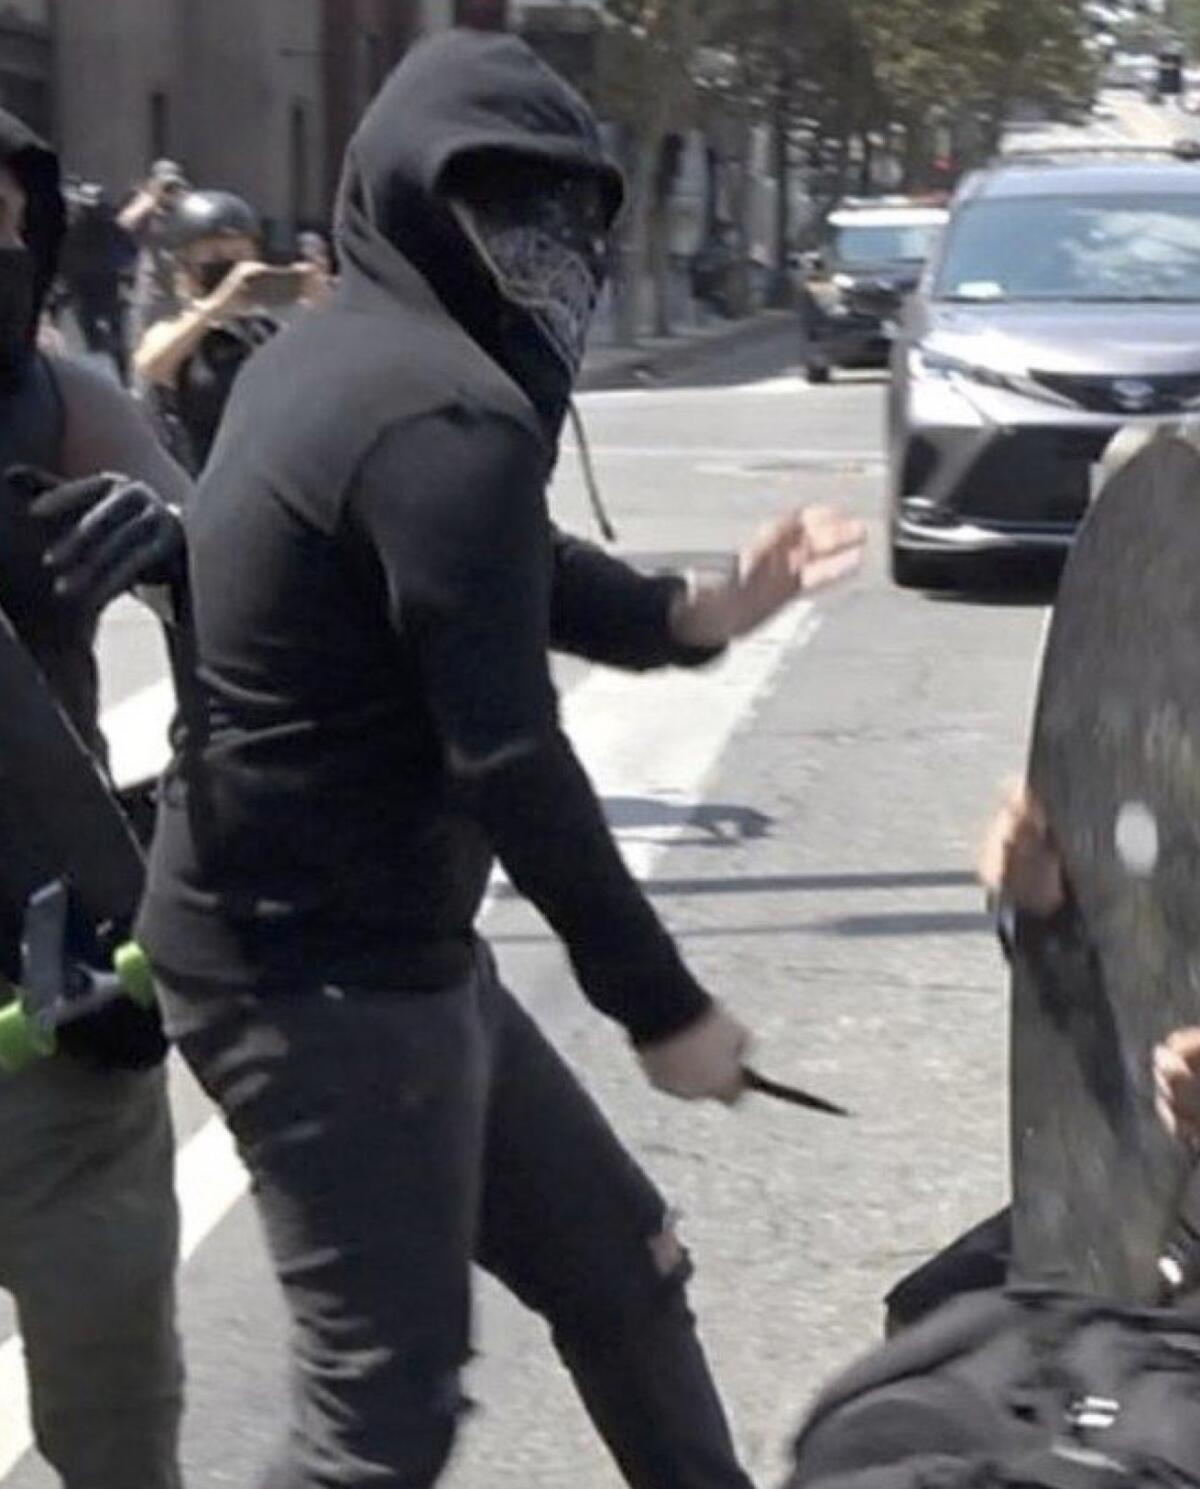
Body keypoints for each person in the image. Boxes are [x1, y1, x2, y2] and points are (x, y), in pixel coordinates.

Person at [137, 30, 865, 1489]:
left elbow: (492, 568)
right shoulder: (433, 409)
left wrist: (691, 613)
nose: (540, 255)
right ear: (407, 197)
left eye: (563, 216)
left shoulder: (355, 362)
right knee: (377, 1424)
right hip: (318, 977)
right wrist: (662, 1007)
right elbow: (513, 759)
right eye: (501, 209)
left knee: (621, 1264)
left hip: (372, 949)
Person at [0, 111, 191, 1487]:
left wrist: (186, 563)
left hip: (55, 1035)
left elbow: (272, 632)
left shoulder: (64, 407)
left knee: (119, 1449)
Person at [135, 189, 323, 472]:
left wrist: (325, 302)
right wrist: (219, 304)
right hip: (195, 486)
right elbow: (150, 365)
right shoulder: (175, 333)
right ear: (185, 267)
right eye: (215, 254)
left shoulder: (267, 332)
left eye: (239, 255)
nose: (232, 268)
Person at [58, 181, 137, 383]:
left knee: (105, 337)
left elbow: (128, 253)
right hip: (89, 288)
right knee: (98, 337)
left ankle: (117, 377)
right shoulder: (78, 227)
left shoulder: (106, 227)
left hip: (101, 288)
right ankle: (114, 377)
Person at [118, 157, 190, 349]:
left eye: (173, 183)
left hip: (181, 290)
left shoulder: (185, 209)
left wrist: (183, 201)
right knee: (146, 346)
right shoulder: (146, 209)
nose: (170, 189)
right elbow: (124, 223)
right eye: (166, 184)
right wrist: (151, 198)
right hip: (152, 291)